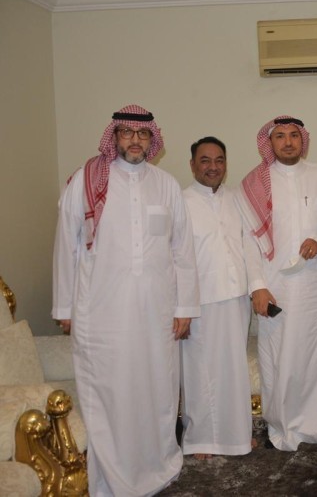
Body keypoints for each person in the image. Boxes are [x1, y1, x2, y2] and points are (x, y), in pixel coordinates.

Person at [52, 104, 200, 496]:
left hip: (157, 311)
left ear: (152, 139)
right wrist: (65, 307)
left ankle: (157, 465)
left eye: (143, 134)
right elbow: (66, 245)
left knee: (157, 388)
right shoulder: (85, 182)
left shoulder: (166, 185)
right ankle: (113, 476)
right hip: (102, 311)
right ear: (114, 136)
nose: (135, 140)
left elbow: (182, 251)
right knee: (109, 392)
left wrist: (185, 307)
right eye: (127, 133)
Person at [236, 115, 317, 451]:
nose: (288, 142)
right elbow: (248, 241)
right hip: (275, 288)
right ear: (269, 142)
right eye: (280, 136)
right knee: (279, 358)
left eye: (294, 135)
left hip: (316, 286)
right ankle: (283, 428)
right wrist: (257, 285)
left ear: (302, 139)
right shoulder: (253, 184)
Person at [181, 137, 268, 459]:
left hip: (235, 296)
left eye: (219, 160)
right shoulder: (181, 201)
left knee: (233, 369)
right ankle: (201, 440)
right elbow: (175, 259)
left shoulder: (236, 199)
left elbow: (249, 244)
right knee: (200, 371)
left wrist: (255, 286)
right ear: (193, 165)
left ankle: (236, 436)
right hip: (199, 300)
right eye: (205, 160)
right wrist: (180, 307)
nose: (213, 167)